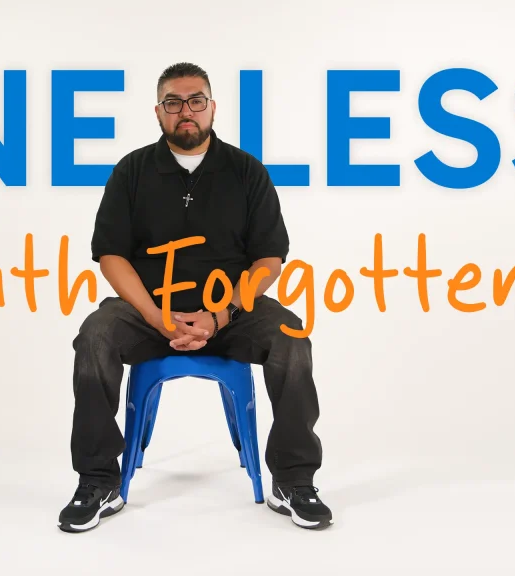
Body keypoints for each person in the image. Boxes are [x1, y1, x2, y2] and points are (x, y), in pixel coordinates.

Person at [57, 62, 331, 533]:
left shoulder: (245, 171)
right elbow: (110, 256)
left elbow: (268, 259)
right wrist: (156, 315)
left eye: (196, 100)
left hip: (231, 310)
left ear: (212, 107)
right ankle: (98, 480)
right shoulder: (133, 171)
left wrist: (219, 317)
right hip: (147, 310)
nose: (186, 111)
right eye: (174, 102)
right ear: (159, 112)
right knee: (94, 338)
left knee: (291, 336)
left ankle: (293, 479)